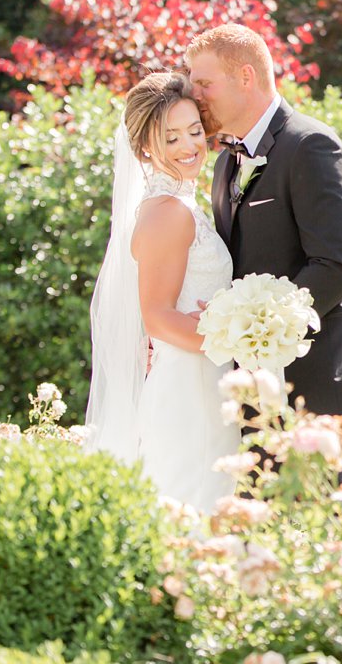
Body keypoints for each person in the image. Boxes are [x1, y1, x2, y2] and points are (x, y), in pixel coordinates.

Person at [185, 24, 342, 485]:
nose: (194, 95)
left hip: (314, 386)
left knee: (324, 537)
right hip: (251, 393)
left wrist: (257, 329)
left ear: (245, 77)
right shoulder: (224, 164)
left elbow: (339, 265)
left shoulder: (311, 146)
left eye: (203, 83)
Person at [83, 71, 239, 512]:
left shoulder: (177, 203)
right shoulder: (168, 212)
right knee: (193, 506)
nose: (189, 147)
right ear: (144, 149)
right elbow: (157, 316)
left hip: (204, 377)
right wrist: (239, 336)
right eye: (171, 139)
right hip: (191, 386)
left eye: (194, 131)